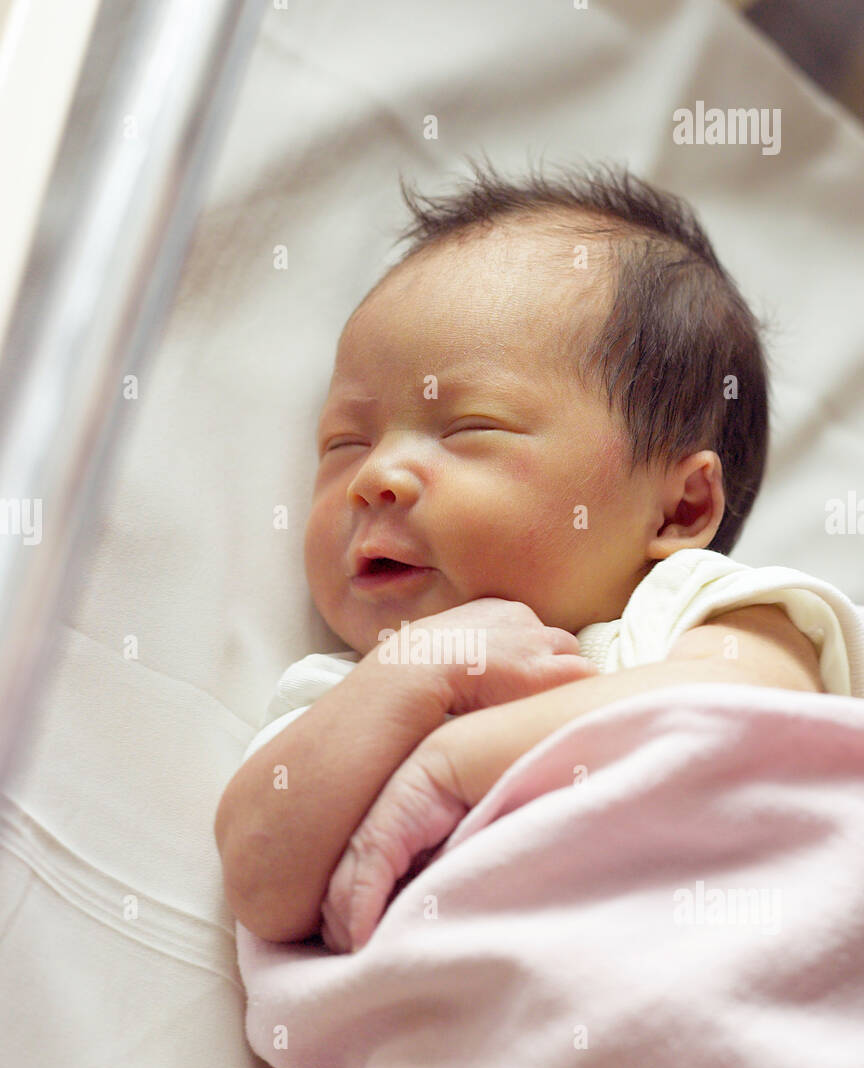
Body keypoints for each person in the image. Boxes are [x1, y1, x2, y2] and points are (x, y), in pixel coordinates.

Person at [214, 157, 864, 955]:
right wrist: (424, 672)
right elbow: (260, 881)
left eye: (470, 427)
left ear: (682, 508)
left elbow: (740, 709)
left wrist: (454, 765)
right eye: (344, 443)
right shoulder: (343, 697)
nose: (375, 478)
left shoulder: (693, 613)